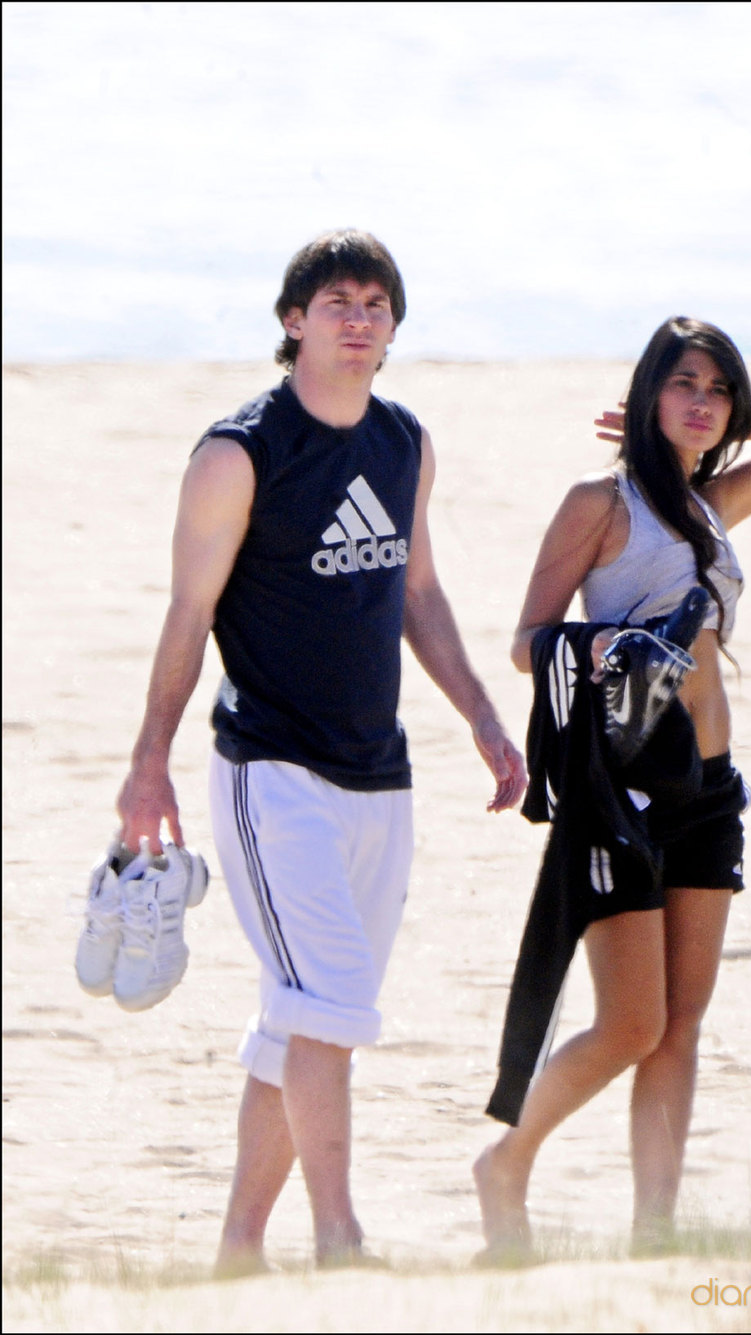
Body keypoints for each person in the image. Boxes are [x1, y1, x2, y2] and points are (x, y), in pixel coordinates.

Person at [113, 228, 527, 1274]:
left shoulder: (402, 443)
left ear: (393, 328)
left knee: (303, 1018)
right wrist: (147, 762)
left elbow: (417, 593)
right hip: (270, 774)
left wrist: (479, 717)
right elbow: (187, 612)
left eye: (376, 304)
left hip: (378, 777)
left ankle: (238, 1250)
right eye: (336, 301)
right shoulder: (238, 453)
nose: (358, 318)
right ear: (292, 321)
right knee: (330, 997)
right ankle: (338, 1236)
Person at [473, 315, 751, 1254]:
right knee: (631, 1024)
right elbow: (526, 642)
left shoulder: (711, 503)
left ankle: (656, 1233)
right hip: (623, 785)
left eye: (717, 389)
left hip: (711, 792)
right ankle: (506, 1163)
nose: (702, 401)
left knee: (681, 1024)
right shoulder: (601, 504)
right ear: (646, 393)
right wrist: (603, 644)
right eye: (682, 384)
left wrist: (723, 427)